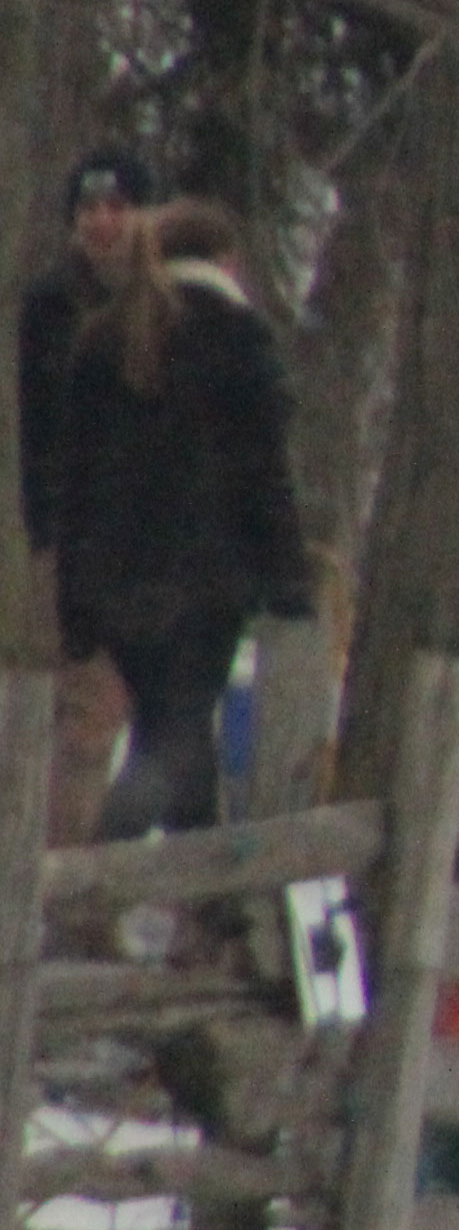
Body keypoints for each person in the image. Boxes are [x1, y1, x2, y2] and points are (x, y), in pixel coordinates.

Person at [15, 163, 312, 840]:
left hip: (115, 587)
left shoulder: (101, 338)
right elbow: (264, 474)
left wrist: (75, 601)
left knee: (176, 733)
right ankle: (95, 871)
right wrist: (288, 580)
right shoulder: (238, 337)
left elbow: (73, 482)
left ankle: (201, 889)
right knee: (172, 743)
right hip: (207, 589)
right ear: (226, 260)